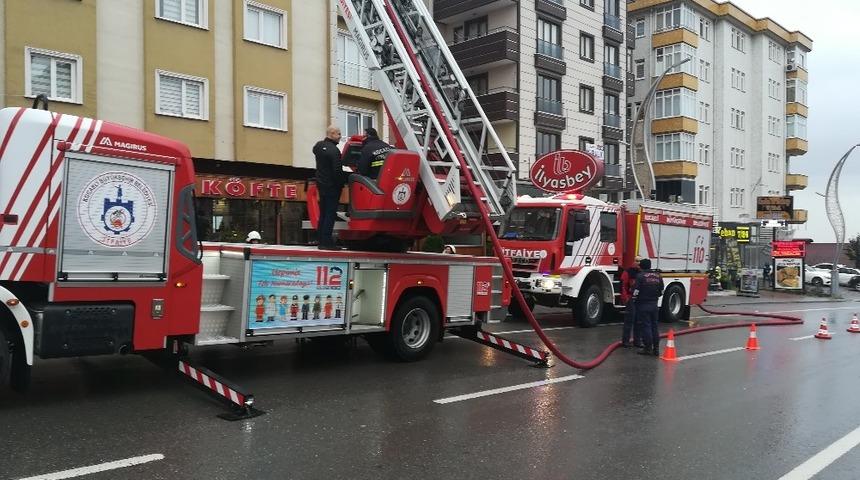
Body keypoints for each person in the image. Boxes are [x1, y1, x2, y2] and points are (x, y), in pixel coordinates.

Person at [313, 125, 346, 250]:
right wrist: (341, 183)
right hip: (332, 186)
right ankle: (327, 242)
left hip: (321, 184)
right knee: (330, 214)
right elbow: (337, 170)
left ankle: (321, 239)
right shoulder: (335, 151)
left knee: (323, 213)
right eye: (338, 134)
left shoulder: (318, 146)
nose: (340, 136)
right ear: (331, 134)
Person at [634, 258, 664, 357]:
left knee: (646, 326)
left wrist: (634, 299)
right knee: (654, 326)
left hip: (643, 304)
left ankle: (647, 348)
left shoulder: (640, 276)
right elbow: (661, 291)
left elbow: (636, 291)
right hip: (654, 304)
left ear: (641, 266)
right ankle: (656, 349)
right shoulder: (658, 276)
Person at [620, 258, 643, 348]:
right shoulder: (627, 272)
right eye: (636, 260)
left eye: (639, 261)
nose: (638, 263)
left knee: (639, 321)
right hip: (630, 299)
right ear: (633, 261)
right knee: (629, 320)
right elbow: (623, 285)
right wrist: (625, 298)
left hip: (639, 300)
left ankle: (637, 341)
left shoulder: (641, 273)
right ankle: (625, 341)